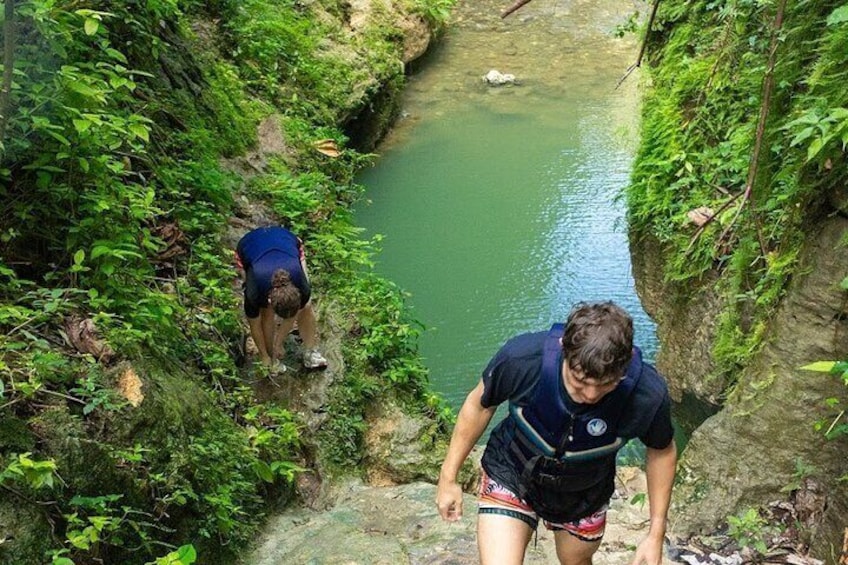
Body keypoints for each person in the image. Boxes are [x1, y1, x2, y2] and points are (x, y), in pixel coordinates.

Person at [435, 301, 676, 565]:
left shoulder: (647, 395)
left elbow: (661, 450)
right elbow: (480, 405)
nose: (591, 395)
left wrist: (655, 533)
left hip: (586, 492)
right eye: (580, 382)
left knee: (576, 561)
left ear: (625, 365)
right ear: (564, 351)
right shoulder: (522, 360)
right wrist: (448, 477)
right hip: (512, 470)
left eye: (605, 385)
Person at [235, 225, 328, 373]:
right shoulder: (255, 289)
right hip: (250, 246)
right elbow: (254, 322)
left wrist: (279, 343)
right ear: (270, 300)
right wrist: (265, 356)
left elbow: (295, 311)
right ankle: (270, 358)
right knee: (266, 313)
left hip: (287, 241)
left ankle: (311, 352)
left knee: (307, 306)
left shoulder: (301, 285)